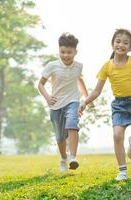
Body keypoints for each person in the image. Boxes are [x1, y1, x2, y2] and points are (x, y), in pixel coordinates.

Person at [79, 28, 131, 181]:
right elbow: (97, 91)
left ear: (130, 47)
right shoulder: (107, 66)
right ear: (112, 44)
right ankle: (122, 171)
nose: (121, 45)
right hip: (119, 106)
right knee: (117, 135)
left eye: (125, 43)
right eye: (118, 41)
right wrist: (85, 102)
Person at [38, 33, 88, 172]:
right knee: (60, 137)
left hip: (73, 101)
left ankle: (73, 157)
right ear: (59, 51)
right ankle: (63, 158)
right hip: (56, 104)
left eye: (69, 52)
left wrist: (87, 98)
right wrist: (48, 97)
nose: (66, 55)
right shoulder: (52, 66)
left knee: (72, 124)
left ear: (75, 52)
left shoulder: (79, 66)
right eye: (63, 52)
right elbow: (40, 84)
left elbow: (80, 80)